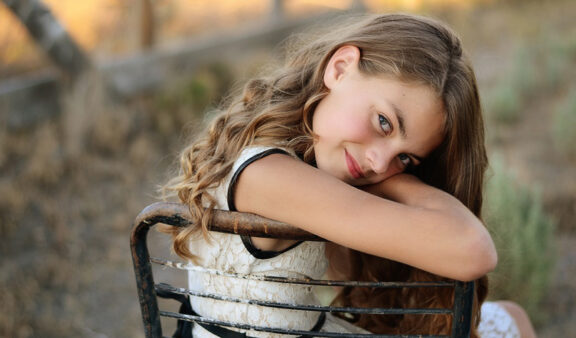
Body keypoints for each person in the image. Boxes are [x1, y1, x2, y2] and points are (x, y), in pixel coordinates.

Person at [161, 13, 536, 337]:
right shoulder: (269, 176)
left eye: (406, 158)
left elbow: (347, 268)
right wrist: (397, 179)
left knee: (507, 318)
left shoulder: (281, 158)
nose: (378, 162)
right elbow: (473, 250)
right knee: (510, 321)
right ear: (339, 68)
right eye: (384, 122)